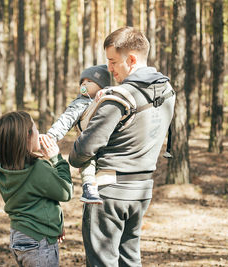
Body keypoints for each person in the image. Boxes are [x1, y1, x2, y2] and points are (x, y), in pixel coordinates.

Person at [69, 27, 175, 266]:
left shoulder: (118, 97)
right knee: (130, 259)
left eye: (113, 61)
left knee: (102, 262)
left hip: (109, 193)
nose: (109, 68)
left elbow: (82, 152)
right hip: (142, 190)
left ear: (132, 59)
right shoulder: (167, 91)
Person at [0, 111, 72, 267]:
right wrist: (57, 158)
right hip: (39, 241)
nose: (39, 132)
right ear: (26, 137)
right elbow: (66, 191)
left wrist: (56, 225)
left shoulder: (5, 169)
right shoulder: (37, 169)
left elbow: (35, 203)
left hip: (19, 236)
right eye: (35, 129)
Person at [46, 65, 111, 204]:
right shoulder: (81, 103)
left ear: (102, 86)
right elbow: (66, 120)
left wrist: (106, 92)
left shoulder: (110, 98)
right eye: (82, 81)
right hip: (89, 142)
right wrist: (52, 135)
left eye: (89, 81)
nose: (84, 84)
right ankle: (88, 187)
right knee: (88, 159)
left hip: (108, 146)